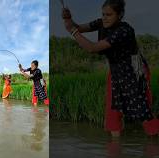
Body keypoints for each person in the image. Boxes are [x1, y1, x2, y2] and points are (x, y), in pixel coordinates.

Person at [62, 0, 159, 137]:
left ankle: (154, 144)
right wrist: (68, 19)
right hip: (115, 70)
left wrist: (73, 31)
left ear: (119, 15)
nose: (105, 18)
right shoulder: (101, 22)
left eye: (109, 15)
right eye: (103, 14)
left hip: (132, 72)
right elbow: (76, 27)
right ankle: (115, 152)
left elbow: (92, 48)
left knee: (142, 110)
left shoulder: (124, 31)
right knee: (113, 110)